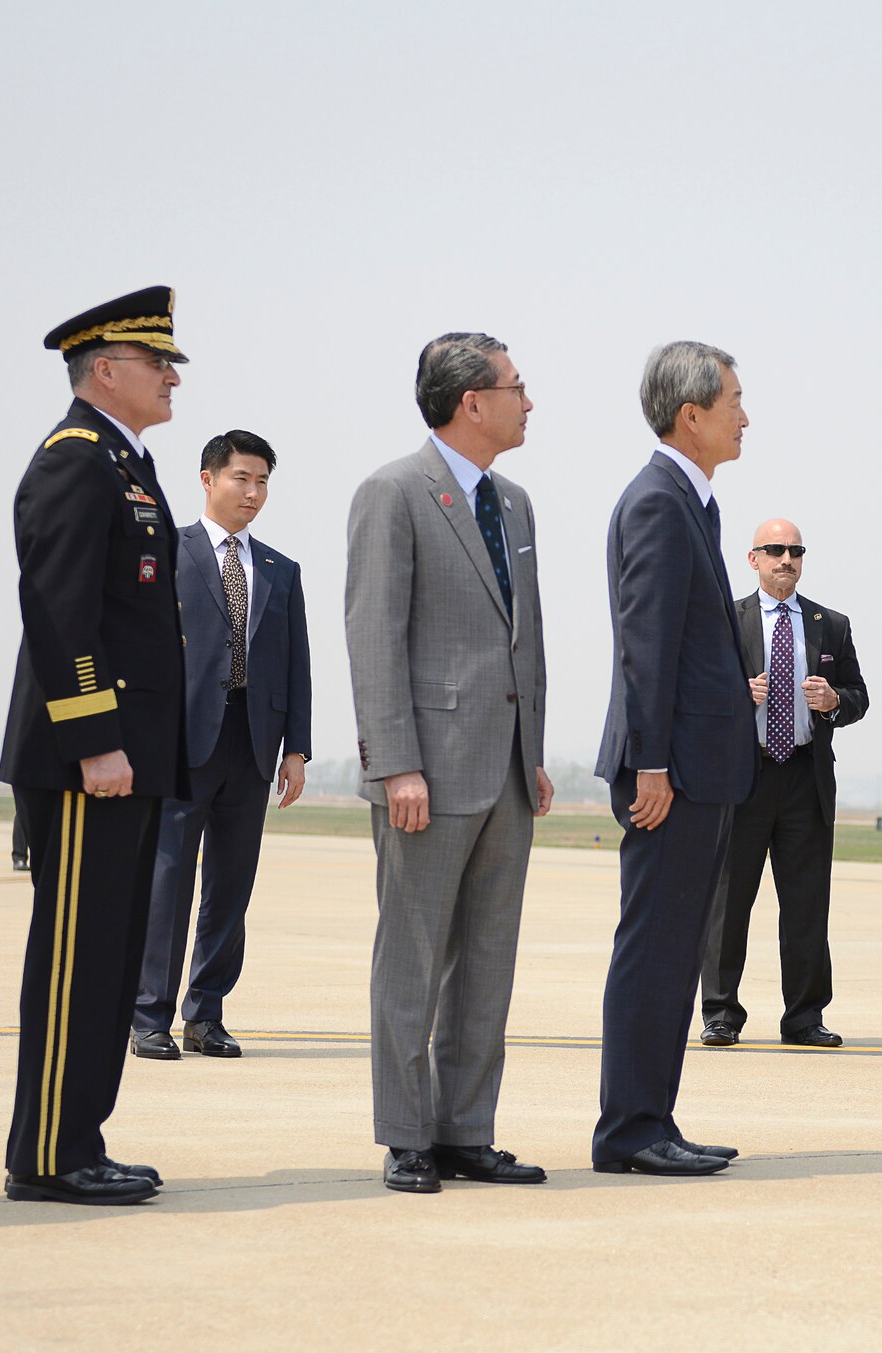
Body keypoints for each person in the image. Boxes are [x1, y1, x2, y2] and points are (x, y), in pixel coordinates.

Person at [344, 333, 554, 1194]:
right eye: (517, 386)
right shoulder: (392, 493)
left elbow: (522, 641)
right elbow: (374, 634)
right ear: (472, 401)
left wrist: (532, 753)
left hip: (505, 769)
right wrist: (396, 763)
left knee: (489, 959)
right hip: (425, 771)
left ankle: (466, 1128)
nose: (528, 401)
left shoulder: (516, 503)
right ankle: (406, 1134)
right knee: (413, 958)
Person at [0, 287, 192, 1205]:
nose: (173, 374)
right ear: (105, 368)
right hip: (91, 762)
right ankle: (46, 1151)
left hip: (131, 756)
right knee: (78, 956)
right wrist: (94, 741)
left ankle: (81, 1136)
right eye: (159, 362)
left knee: (111, 958)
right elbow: (60, 611)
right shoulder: (77, 461)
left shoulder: (127, 461)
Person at [591, 341, 754, 1177]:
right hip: (672, 772)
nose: (745, 417)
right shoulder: (658, 501)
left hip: (698, 765)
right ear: (691, 414)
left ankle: (652, 1115)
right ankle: (628, 1128)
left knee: (675, 947)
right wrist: (651, 763)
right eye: (733, 401)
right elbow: (644, 645)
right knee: (654, 947)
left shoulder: (693, 500)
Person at [132, 429, 312, 1061]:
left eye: (263, 481)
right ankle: (148, 1014)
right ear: (208, 479)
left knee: (231, 888)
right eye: (242, 478)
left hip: (254, 745)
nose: (253, 492)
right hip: (181, 744)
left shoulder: (279, 570)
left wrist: (298, 749)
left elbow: (297, 667)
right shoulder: (167, 552)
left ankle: (205, 1014)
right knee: (168, 880)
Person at [698, 519, 869, 1050]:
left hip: (804, 776)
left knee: (806, 905)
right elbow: (698, 693)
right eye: (775, 550)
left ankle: (804, 1017)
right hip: (743, 777)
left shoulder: (830, 624)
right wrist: (735, 695)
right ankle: (722, 1013)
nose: (786, 559)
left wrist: (834, 701)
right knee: (730, 903)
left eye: (795, 550)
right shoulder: (728, 618)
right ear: (753, 559)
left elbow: (858, 696)